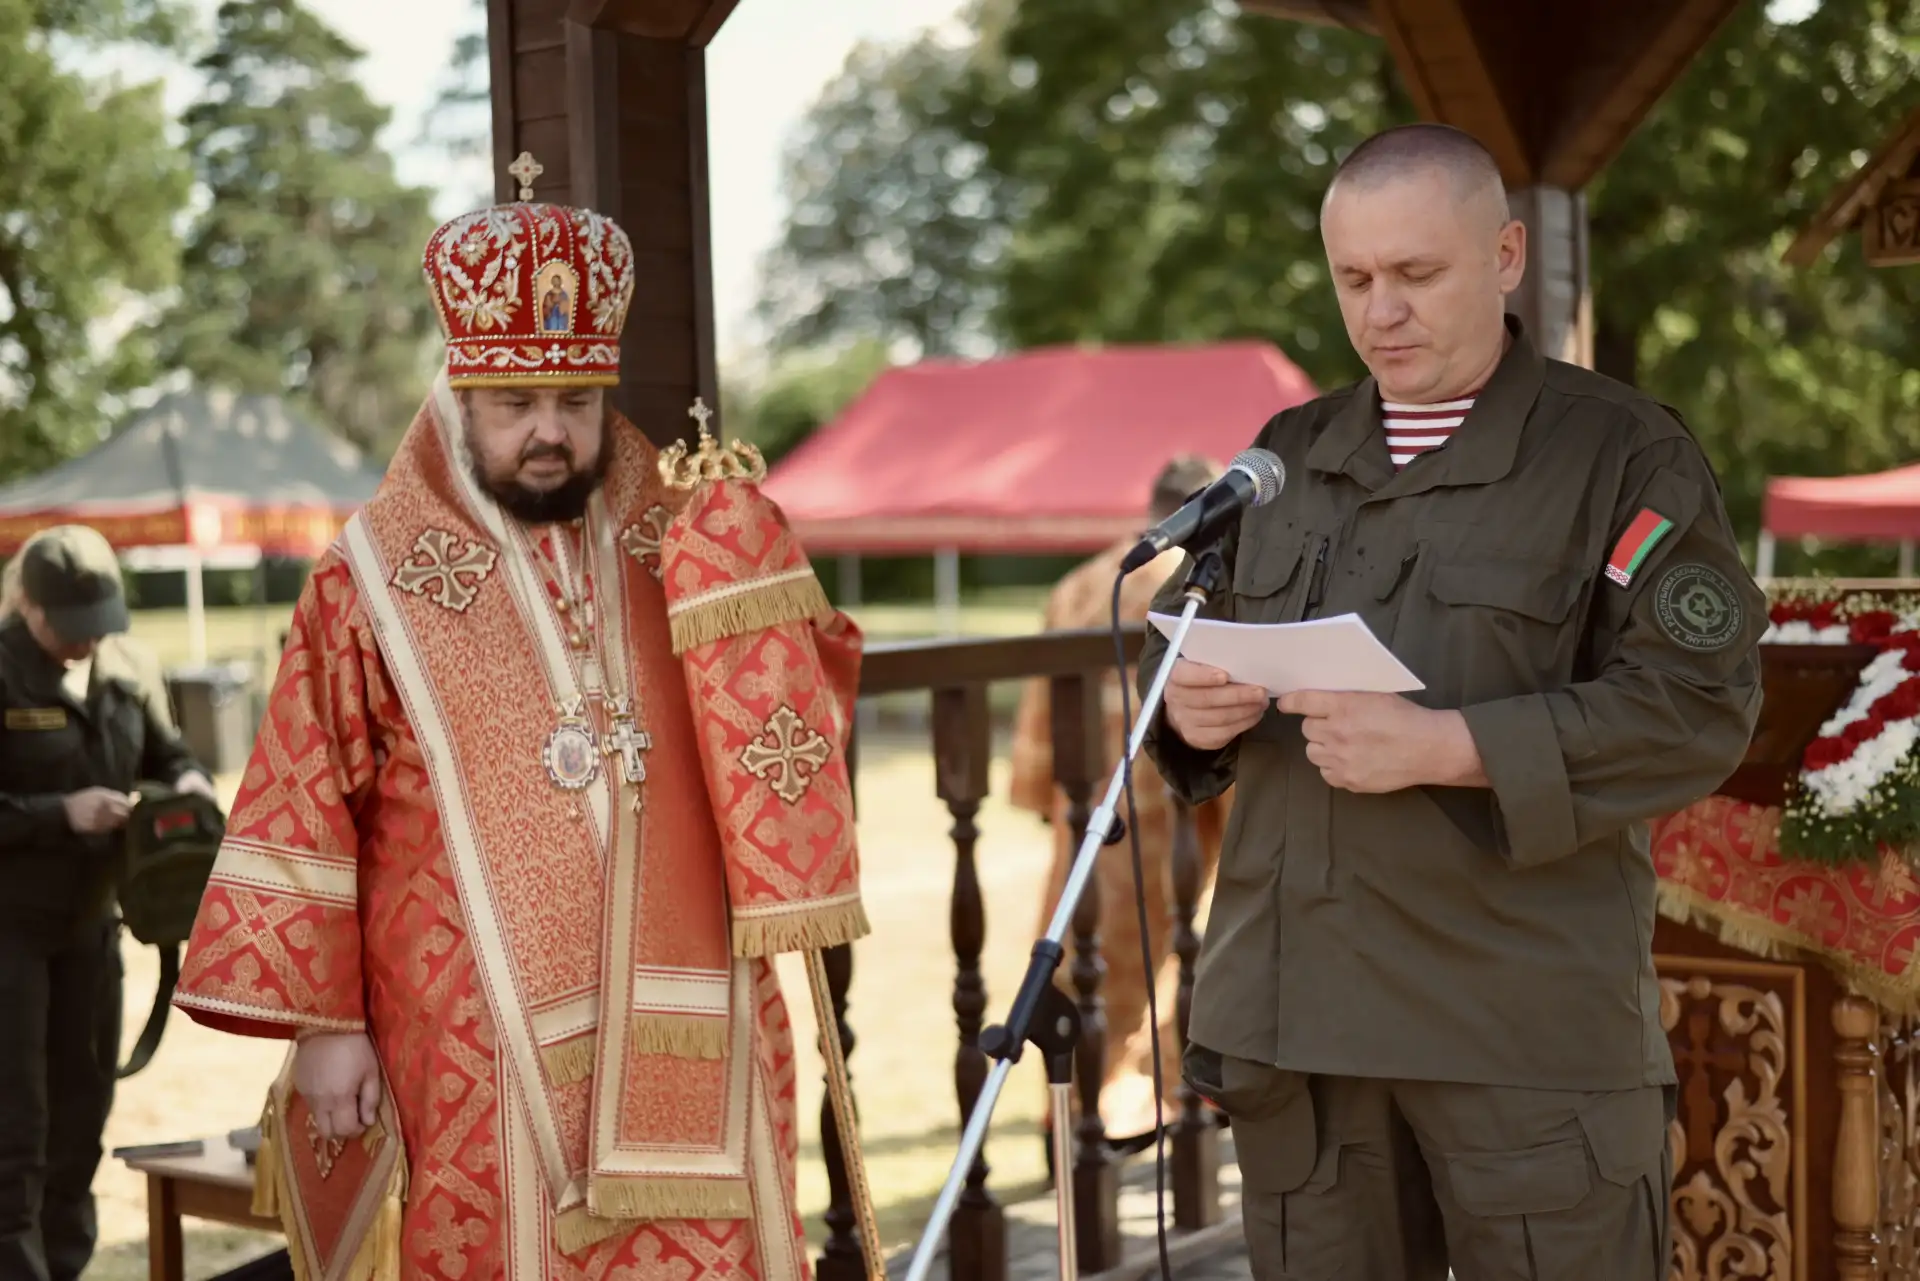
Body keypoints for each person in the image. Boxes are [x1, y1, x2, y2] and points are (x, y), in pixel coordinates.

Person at [174, 191, 860, 1280]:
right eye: (516, 402)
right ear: (460, 397)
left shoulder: (681, 540)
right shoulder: (369, 583)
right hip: (469, 1043)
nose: (550, 429)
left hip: (701, 1018)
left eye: (576, 400)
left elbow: (787, 731)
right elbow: (304, 800)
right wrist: (324, 1026)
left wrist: (767, 578)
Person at [1141, 123, 1765, 1280]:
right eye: (1354, 279)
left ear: (1506, 256)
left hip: (1517, 1033)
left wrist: (1453, 745)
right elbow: (1185, 637)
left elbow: (1699, 705)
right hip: (1303, 1024)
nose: (1382, 312)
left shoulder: (1621, 455)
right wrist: (1185, 706)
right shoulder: (1284, 455)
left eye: (1417, 273)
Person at [0, 524, 213, 1281]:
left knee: (82, 1117)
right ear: (28, 606)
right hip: (11, 936)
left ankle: (64, 1265)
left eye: (98, 624)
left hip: (93, 929)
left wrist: (187, 779)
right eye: (70, 625)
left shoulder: (125, 668)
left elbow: (166, 751)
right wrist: (60, 812)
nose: (87, 641)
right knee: (16, 1128)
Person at [1008, 455, 1231, 1146]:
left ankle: (1071, 1106)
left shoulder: (1084, 580)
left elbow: (1040, 704)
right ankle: (1128, 1102)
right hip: (1164, 804)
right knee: (1157, 957)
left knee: (1075, 950)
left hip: (1082, 803)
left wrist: (1044, 790)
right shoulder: (1200, 579)